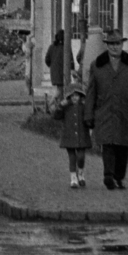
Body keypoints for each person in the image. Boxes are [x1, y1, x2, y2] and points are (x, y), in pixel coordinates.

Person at [82, 28, 128, 191]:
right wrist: (88, 114)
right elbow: (91, 91)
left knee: (122, 146)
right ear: (107, 45)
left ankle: (119, 177)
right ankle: (108, 175)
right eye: (111, 44)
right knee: (107, 144)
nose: (115, 47)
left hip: (125, 112)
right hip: (104, 111)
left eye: (118, 44)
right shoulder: (97, 66)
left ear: (122, 45)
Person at [55, 49, 92, 188]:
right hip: (69, 135)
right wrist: (60, 107)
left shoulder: (83, 106)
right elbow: (56, 116)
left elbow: (89, 118)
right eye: (73, 96)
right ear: (69, 97)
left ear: (81, 96)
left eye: (78, 95)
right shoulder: (66, 106)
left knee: (81, 157)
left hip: (82, 136)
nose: (75, 98)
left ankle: (81, 173)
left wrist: (91, 125)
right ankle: (73, 178)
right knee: (72, 157)